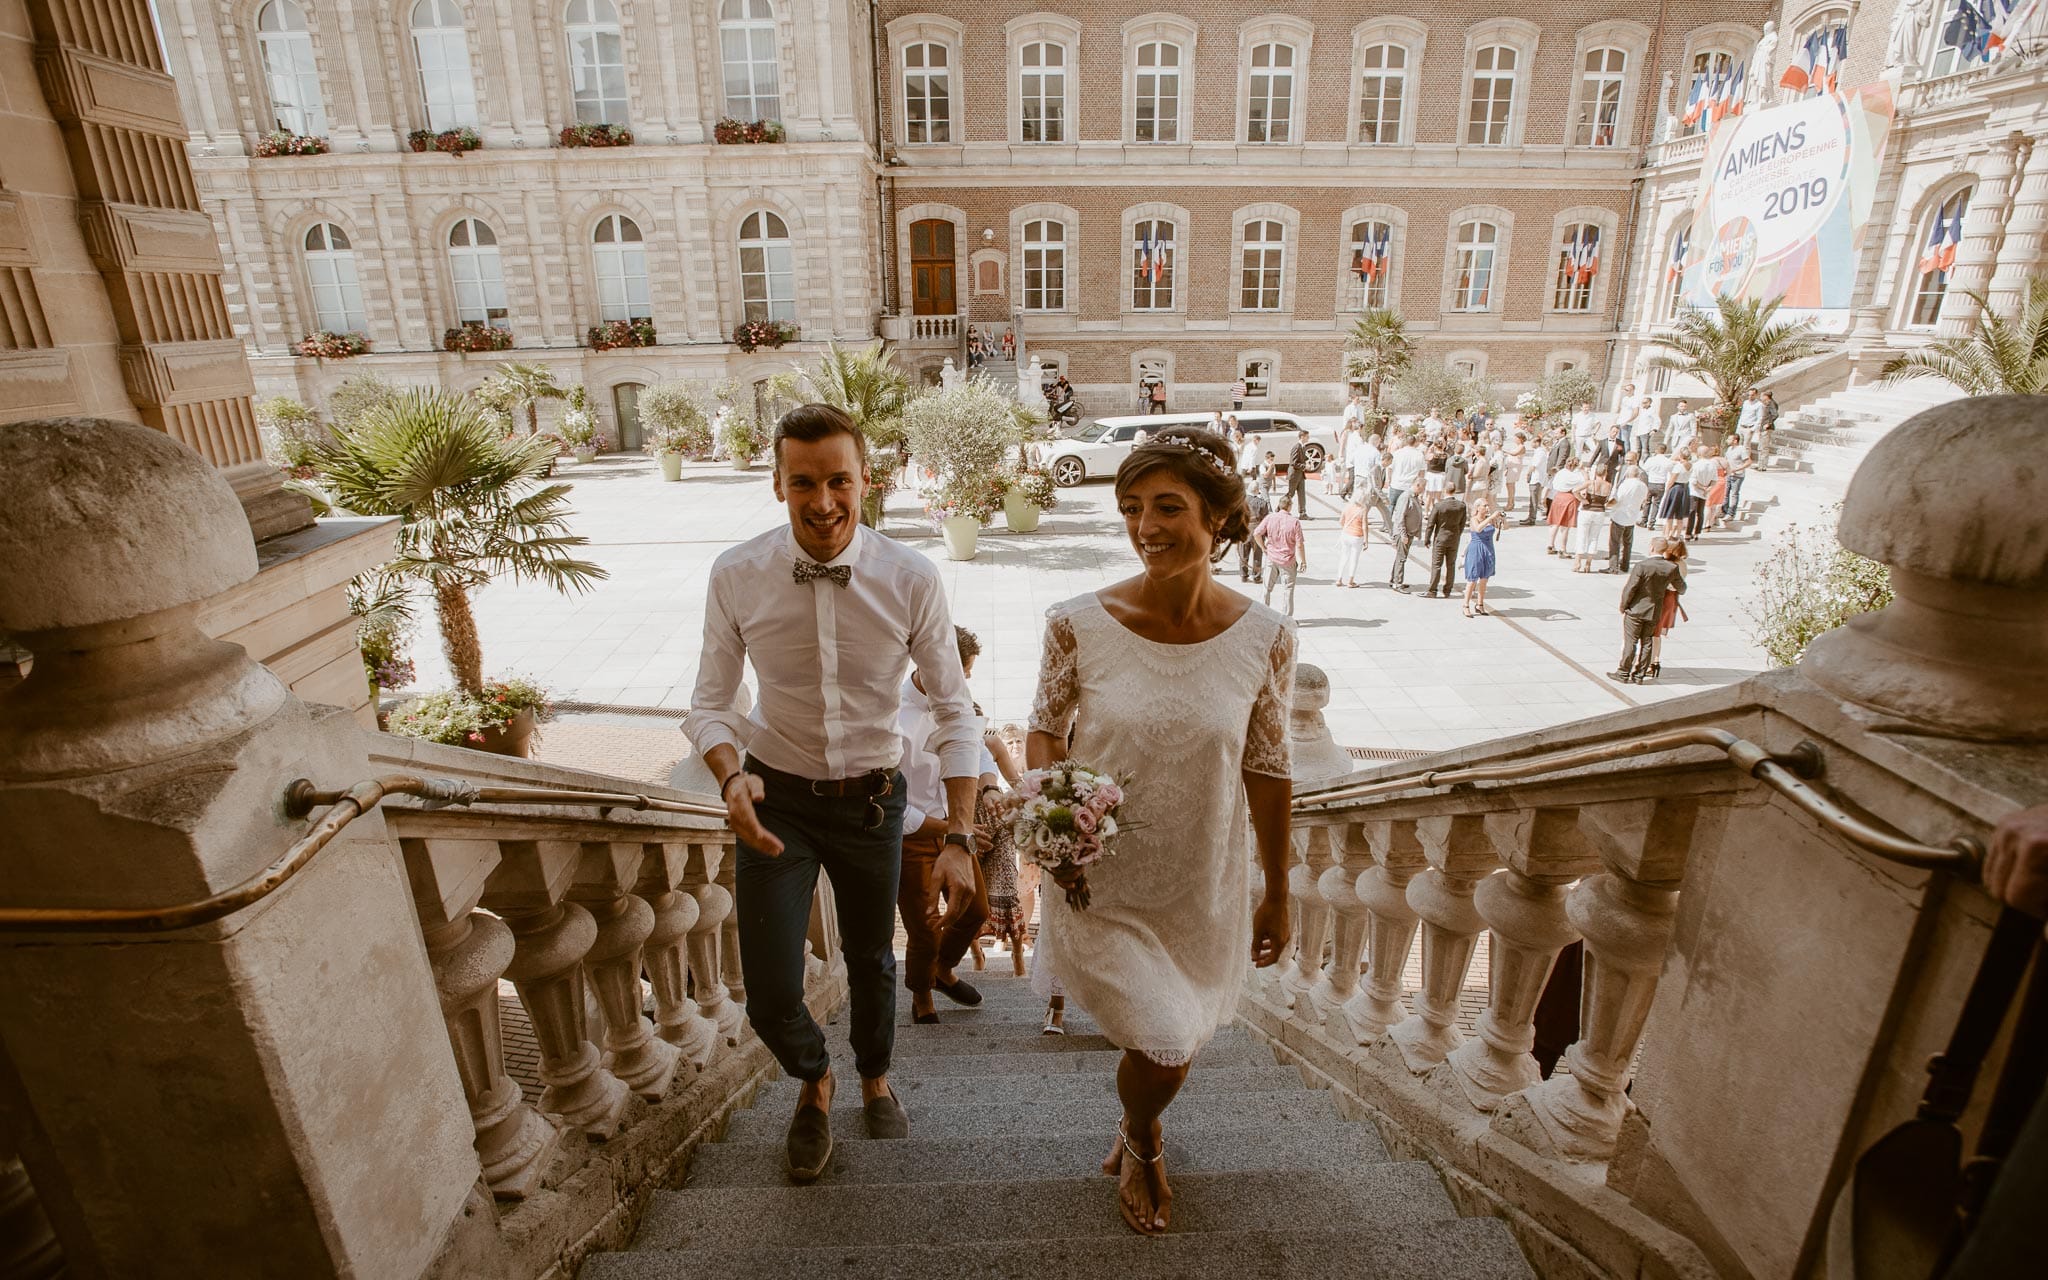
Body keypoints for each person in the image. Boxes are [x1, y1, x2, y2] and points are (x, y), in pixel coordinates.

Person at [684, 403, 982, 1180]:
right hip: (775, 801)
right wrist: (730, 779)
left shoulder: (911, 577)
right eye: (803, 483)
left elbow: (955, 709)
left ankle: (876, 1076)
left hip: (874, 803)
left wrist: (959, 836)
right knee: (771, 991)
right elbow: (711, 704)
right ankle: (815, 1078)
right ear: (778, 483)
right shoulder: (736, 574)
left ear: (865, 480)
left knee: (871, 959)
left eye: (838, 481)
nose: (823, 503)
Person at [1025, 426, 1295, 1236]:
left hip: (1201, 882)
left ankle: (1137, 1119)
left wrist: (1276, 889)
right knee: (1168, 1041)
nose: (1146, 526)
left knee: (1177, 1036)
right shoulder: (1077, 623)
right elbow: (1043, 727)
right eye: (1132, 507)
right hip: (1099, 882)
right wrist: (1052, 813)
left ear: (1219, 519)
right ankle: (1144, 1137)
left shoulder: (1266, 639)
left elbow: (1269, 767)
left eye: (1169, 507)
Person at [895, 627, 996, 1024]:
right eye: (961, 671)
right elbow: (887, 799)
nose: (965, 681)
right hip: (913, 833)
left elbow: (975, 750)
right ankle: (922, 992)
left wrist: (988, 787)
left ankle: (942, 969)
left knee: (975, 911)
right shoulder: (891, 711)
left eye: (968, 673)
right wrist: (941, 828)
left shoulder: (961, 699)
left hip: (957, 831)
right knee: (924, 926)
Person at [1611, 535, 1683, 683]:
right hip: (1654, 610)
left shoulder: (1642, 566)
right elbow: (1682, 588)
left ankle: (1623, 672)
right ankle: (1639, 675)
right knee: (1647, 641)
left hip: (1636, 609)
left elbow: (1630, 588)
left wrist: (1624, 605)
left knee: (1631, 641)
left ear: (1651, 548)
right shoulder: (1671, 567)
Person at [1253, 498, 1307, 616]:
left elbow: (1256, 533)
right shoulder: (1294, 522)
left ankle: (1264, 614)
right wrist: (1303, 561)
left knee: (1266, 587)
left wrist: (1263, 548)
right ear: (1290, 506)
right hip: (1287, 560)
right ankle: (1286, 617)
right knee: (1288, 590)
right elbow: (1300, 545)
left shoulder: (1270, 518)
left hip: (1271, 558)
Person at [1648, 537, 1689, 679]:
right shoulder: (1682, 564)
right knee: (1657, 634)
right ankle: (1655, 660)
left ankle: (1650, 662)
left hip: (1662, 598)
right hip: (1671, 599)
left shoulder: (1668, 565)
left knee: (1652, 633)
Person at [1461, 498, 1503, 617]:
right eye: (1485, 505)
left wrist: (1501, 519)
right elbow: (1478, 529)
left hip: (1488, 549)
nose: (1487, 508)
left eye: (1488, 505)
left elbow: (1506, 527)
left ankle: (1480, 604)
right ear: (1478, 507)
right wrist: (1490, 518)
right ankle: (1466, 605)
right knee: (1472, 579)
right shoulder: (1474, 519)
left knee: (1484, 579)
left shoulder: (1489, 520)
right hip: (1476, 550)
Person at [1424, 485, 1467, 599]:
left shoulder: (1439, 506)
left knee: (1437, 565)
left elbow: (1431, 524)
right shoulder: (1461, 506)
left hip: (1440, 538)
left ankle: (1432, 590)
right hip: (1454, 539)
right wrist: (1457, 534)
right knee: (1451, 565)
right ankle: (1447, 590)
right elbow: (1462, 524)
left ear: (1444, 490)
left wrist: (1427, 538)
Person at [1608, 464, 1649, 574]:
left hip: (1620, 515)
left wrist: (1607, 505)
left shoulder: (1626, 484)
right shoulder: (1643, 486)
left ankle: (1613, 566)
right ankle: (1625, 565)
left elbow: (1617, 499)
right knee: (1627, 543)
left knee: (1615, 542)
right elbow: (1644, 501)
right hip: (1632, 517)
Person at [1573, 461, 1611, 573]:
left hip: (1587, 510)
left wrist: (1582, 499)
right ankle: (1588, 564)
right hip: (1600, 511)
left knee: (1582, 535)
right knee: (1594, 537)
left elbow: (1575, 490)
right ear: (1605, 473)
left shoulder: (1590, 483)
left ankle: (1578, 561)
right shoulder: (1608, 485)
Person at [1389, 474, 1424, 592]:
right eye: (1423, 487)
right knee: (1401, 557)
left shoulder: (1414, 496)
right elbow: (1400, 517)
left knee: (1400, 556)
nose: (1424, 490)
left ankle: (1394, 579)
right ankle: (1397, 583)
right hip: (1403, 533)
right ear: (1417, 485)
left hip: (1409, 532)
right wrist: (1403, 534)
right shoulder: (1406, 497)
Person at [1546, 452, 1585, 556]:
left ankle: (1550, 544)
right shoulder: (1575, 476)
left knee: (1555, 523)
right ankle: (1562, 549)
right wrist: (1583, 470)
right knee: (1565, 526)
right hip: (1569, 498)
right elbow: (1585, 481)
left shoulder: (1561, 473)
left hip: (1558, 497)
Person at [1336, 490, 1369, 588]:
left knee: (1344, 556)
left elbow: (1341, 521)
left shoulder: (1348, 506)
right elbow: (1364, 526)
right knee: (1354, 558)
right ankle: (1350, 581)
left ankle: (1339, 579)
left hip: (1346, 534)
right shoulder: (1363, 509)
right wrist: (1366, 540)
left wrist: (1345, 528)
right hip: (1357, 536)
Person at [1238, 483, 1270, 582]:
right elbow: (1265, 519)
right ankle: (1256, 576)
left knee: (1243, 553)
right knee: (1257, 554)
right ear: (1257, 491)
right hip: (1257, 530)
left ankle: (1244, 575)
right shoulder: (1262, 503)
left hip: (1245, 529)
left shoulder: (1241, 502)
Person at [1284, 429, 1312, 518]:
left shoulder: (1303, 447)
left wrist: (1307, 462)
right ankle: (1280, 509)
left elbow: (1302, 460)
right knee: (1290, 494)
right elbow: (1293, 462)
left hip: (1300, 475)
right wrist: (1304, 466)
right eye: (1307, 436)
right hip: (1294, 474)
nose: (1308, 438)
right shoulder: (1296, 447)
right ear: (1302, 437)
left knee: (1302, 494)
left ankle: (1302, 513)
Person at [1723, 435, 1751, 521]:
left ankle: (1731, 514)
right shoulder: (1729, 449)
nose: (1727, 440)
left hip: (1737, 475)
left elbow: (1748, 462)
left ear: (1735, 441)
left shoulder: (1741, 449)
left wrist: (1737, 469)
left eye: (1729, 439)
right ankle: (1724, 510)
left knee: (1734, 494)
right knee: (1725, 494)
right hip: (1728, 474)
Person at [1502, 430, 1527, 515]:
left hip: (1515, 467)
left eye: (1516, 438)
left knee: (1510, 485)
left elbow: (1514, 453)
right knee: (1510, 485)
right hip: (1512, 466)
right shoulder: (1518, 446)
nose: (1515, 440)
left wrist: (1505, 451)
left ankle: (1510, 503)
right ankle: (1511, 502)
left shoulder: (1521, 446)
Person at [1759, 391, 1779, 467]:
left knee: (1764, 447)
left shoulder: (1771, 403)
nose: (1760, 397)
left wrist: (1768, 423)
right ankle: (1760, 464)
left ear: (1766, 396)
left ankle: (1763, 465)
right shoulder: (1767, 403)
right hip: (1762, 427)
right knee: (1761, 446)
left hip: (1766, 428)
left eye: (1762, 396)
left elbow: (1775, 414)